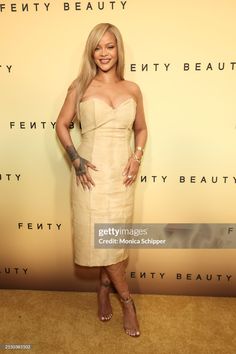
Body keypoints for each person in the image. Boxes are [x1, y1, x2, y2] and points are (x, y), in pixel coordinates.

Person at [56, 23, 147, 337]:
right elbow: (62, 125)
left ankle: (103, 288)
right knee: (101, 239)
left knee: (115, 240)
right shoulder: (80, 86)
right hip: (91, 179)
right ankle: (127, 300)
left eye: (110, 46)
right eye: (98, 47)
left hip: (121, 179)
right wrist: (76, 160)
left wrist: (136, 157)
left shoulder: (132, 89)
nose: (104, 53)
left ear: (118, 49)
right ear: (91, 52)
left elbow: (141, 129)